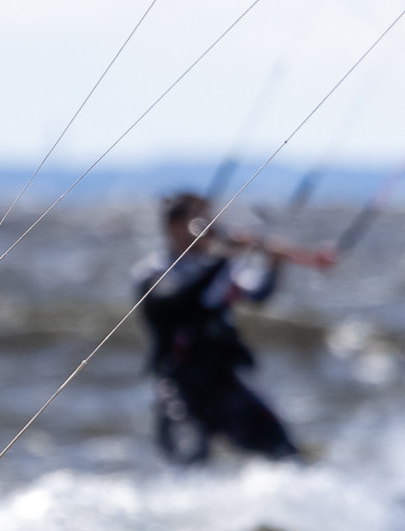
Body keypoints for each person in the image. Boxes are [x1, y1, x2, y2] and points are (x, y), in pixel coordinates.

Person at [136, 191, 336, 464]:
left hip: (223, 383)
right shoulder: (153, 273)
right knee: (190, 462)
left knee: (285, 452)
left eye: (208, 219)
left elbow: (258, 294)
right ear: (174, 226)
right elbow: (181, 301)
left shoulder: (219, 268)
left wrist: (274, 264)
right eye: (199, 221)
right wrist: (222, 258)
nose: (210, 226)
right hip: (180, 390)